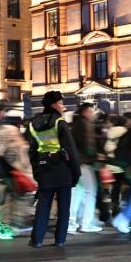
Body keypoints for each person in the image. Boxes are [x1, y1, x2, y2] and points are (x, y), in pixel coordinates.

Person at [27, 91, 81, 248]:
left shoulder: (32, 125)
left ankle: (36, 240)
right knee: (63, 208)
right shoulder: (60, 123)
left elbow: (32, 151)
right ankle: (60, 240)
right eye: (60, 103)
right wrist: (76, 173)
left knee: (43, 206)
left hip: (44, 170)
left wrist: (36, 172)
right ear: (53, 105)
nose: (63, 106)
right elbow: (71, 150)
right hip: (63, 170)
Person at [69, 102, 103, 233]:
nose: (93, 113)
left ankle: (71, 222)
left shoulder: (75, 124)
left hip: (76, 163)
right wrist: (96, 156)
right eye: (91, 111)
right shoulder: (85, 124)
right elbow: (88, 145)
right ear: (85, 112)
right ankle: (86, 223)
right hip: (84, 162)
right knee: (90, 193)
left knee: (77, 193)